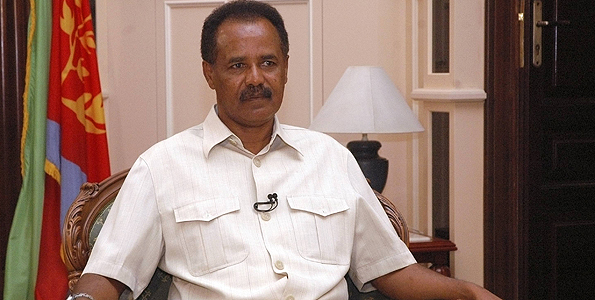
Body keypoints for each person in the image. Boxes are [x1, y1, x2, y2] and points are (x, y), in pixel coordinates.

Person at [70, 1, 502, 299]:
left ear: (286, 67)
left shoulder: (330, 159)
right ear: (209, 73)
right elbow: (108, 275)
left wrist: (467, 291)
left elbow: (389, 269)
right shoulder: (162, 167)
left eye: (269, 63)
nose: (256, 78)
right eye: (238, 65)